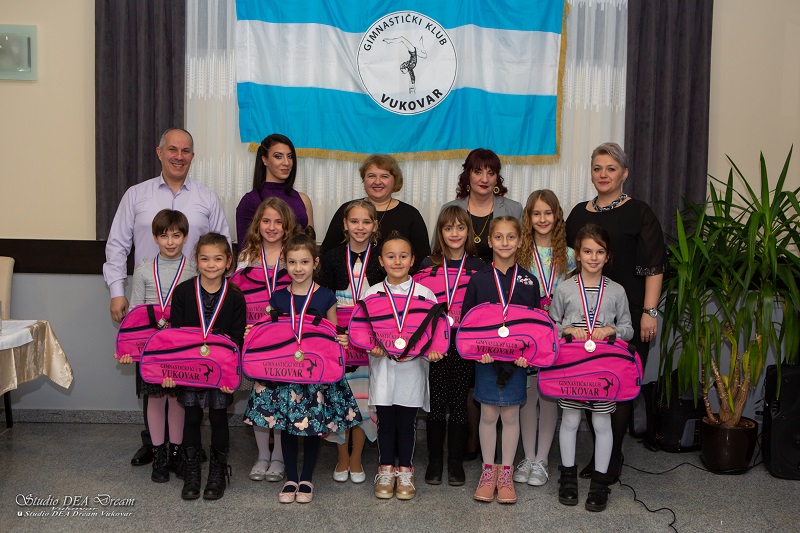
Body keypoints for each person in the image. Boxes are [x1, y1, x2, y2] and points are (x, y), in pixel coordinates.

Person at [103, 127, 230, 467]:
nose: (178, 156)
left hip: (193, 310)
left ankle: (187, 444)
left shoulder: (207, 198)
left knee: (187, 376)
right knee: (152, 377)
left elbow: (223, 247)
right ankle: (154, 444)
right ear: (159, 153)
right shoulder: (136, 195)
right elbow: (117, 246)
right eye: (172, 149)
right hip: (147, 305)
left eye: (185, 151)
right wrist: (117, 292)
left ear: (193, 156)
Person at [564, 142, 666, 481]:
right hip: (585, 317)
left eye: (611, 168)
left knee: (617, 385)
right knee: (590, 384)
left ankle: (611, 457)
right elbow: (567, 261)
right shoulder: (578, 214)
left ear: (624, 173)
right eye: (597, 168)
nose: (603, 174)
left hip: (628, 316)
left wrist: (650, 312)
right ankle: (600, 454)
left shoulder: (639, 212)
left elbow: (654, 266)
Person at [243, 229, 362, 504]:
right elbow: (267, 332)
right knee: (285, 427)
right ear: (285, 263)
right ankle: (291, 479)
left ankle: (306, 478)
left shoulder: (326, 296)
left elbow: (333, 333)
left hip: (313, 376)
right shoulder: (277, 297)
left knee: (312, 428)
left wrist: (342, 339)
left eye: (305, 262)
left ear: (315, 263)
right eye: (293, 262)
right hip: (283, 375)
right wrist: (254, 332)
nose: (298, 268)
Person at [549, 224, 633, 512]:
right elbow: (552, 325)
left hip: (603, 367)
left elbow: (628, 328)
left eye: (599, 252)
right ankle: (567, 478)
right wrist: (567, 330)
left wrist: (611, 330)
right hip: (573, 364)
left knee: (601, 422)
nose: (593, 257)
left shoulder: (617, 291)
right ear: (578, 254)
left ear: (607, 256)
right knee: (570, 420)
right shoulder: (565, 288)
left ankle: (600, 482)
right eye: (587, 251)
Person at [461, 216, 540, 505]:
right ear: (490, 241)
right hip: (486, 361)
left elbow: (535, 327)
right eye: (499, 237)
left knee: (510, 416)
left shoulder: (528, 281)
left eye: (511, 237)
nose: (504, 242)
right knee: (488, 415)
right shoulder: (478, 280)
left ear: (520, 241)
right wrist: (476, 350)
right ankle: (487, 471)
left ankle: (505, 472)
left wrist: (528, 356)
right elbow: (467, 323)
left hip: (516, 363)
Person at [116, 209, 197, 483]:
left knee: (176, 398)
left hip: (179, 348)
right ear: (154, 237)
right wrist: (128, 349)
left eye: (176, 235)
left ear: (185, 236)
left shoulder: (193, 270)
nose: (170, 242)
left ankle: (176, 453)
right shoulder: (143, 269)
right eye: (164, 236)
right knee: (155, 397)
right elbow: (136, 312)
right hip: (150, 349)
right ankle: (159, 454)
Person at [165, 233, 246, 501]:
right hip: (190, 369)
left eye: (218, 259)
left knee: (219, 418)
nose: (211, 265)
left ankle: (217, 473)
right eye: (205, 259)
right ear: (196, 261)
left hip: (220, 371)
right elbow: (175, 338)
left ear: (228, 262)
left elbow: (237, 340)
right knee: (192, 416)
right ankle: (192, 472)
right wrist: (171, 372)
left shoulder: (235, 296)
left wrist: (230, 375)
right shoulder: (183, 292)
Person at [366, 233, 443, 500]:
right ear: (381, 261)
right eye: (391, 256)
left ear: (412, 260)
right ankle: (386, 469)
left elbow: (436, 330)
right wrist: (371, 346)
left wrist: (434, 351)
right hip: (383, 368)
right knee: (386, 422)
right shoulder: (372, 293)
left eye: (403, 256)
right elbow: (364, 329)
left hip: (412, 370)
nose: (397, 261)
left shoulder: (425, 294)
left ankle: (406, 470)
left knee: (407, 423)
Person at [416, 206, 484, 486]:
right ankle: (435, 461)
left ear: (469, 231)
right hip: (434, 344)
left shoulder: (480, 267)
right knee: (435, 405)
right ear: (440, 232)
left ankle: (455, 462)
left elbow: (485, 310)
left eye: (460, 227)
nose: (454, 233)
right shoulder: (427, 264)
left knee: (458, 404)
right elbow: (418, 309)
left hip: (464, 345)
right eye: (448, 228)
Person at [318, 200, 384, 484]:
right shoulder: (332, 257)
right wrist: (335, 334)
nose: (360, 227)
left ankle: (357, 456)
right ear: (345, 224)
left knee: (363, 398)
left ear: (374, 225)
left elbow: (386, 302)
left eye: (366, 222)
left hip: (370, 338)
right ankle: (342, 456)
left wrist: (371, 335)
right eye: (354, 221)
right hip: (339, 337)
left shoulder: (381, 256)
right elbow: (324, 299)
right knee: (339, 397)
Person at [513, 190, 575, 488]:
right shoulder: (520, 251)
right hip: (527, 333)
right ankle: (528, 456)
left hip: (556, 333)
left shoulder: (570, 255)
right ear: (528, 217)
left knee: (549, 394)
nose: (542, 219)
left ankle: (542, 458)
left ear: (557, 215)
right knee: (528, 396)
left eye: (547, 213)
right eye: (536, 213)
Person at [238, 197, 297, 483]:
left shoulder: (292, 256)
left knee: (283, 398)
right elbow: (236, 296)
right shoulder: (246, 256)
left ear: (287, 226)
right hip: (256, 338)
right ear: (257, 224)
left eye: (278, 222)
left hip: (285, 339)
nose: (272, 227)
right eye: (266, 221)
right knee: (260, 397)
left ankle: (280, 457)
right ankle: (262, 455)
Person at [320, 154, 430, 271]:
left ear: (395, 180)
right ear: (364, 180)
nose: (377, 182)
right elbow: (326, 253)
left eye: (384, 176)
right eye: (371, 176)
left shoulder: (410, 214)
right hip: (348, 279)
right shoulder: (347, 209)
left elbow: (422, 261)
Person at [438, 148, 523, 264]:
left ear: (497, 178)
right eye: (478, 172)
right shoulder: (448, 209)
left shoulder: (514, 209)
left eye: (491, 173)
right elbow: (437, 252)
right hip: (458, 274)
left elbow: (522, 255)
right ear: (468, 175)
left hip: (500, 274)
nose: (484, 179)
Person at [235, 134, 314, 243]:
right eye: (278, 156)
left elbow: (310, 245)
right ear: (264, 160)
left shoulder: (303, 199)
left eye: (289, 156)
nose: (286, 162)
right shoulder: (251, 200)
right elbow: (245, 248)